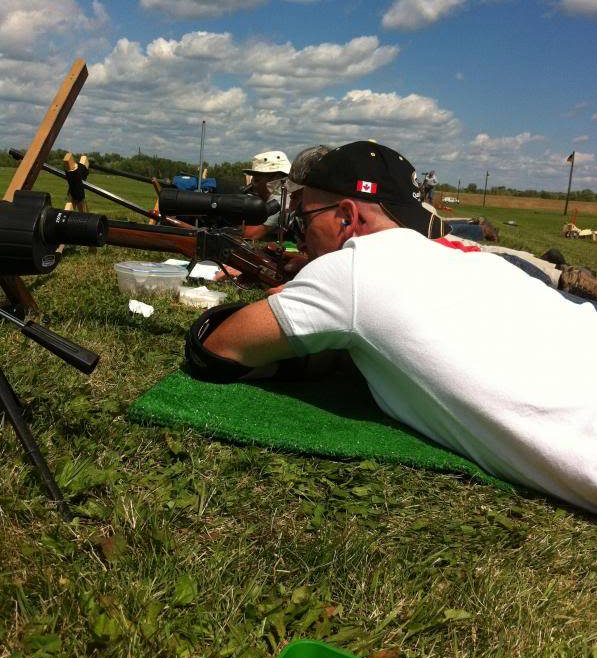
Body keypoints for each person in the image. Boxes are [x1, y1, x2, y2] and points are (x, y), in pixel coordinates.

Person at [186, 141, 597, 512]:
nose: (301, 232)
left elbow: (215, 347)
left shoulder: (352, 269)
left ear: (346, 216)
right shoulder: (475, 261)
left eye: (306, 217)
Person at [243, 150, 291, 240]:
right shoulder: (274, 199)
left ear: (276, 179)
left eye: (257, 180)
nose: (253, 184)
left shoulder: (282, 201)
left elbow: (249, 235)